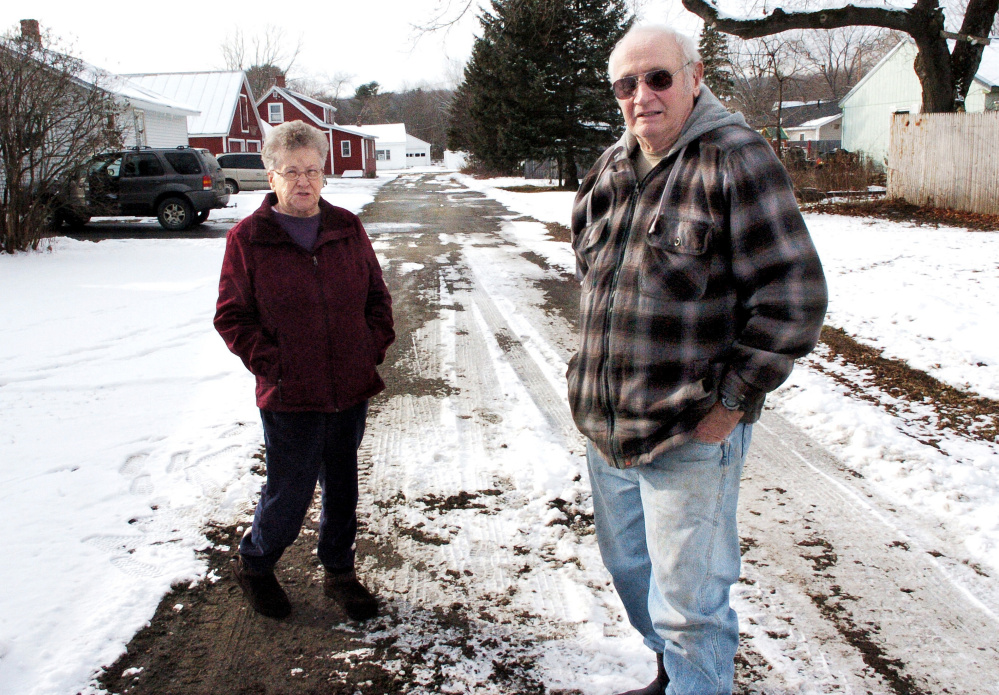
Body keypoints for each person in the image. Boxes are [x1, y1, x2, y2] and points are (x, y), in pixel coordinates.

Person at [567, 25, 827, 694]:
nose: (641, 96)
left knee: (689, 610)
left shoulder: (734, 158)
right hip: (609, 431)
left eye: (656, 78)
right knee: (632, 574)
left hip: (689, 430)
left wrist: (733, 401)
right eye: (626, 84)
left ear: (693, 76)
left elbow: (792, 297)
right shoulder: (609, 168)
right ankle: (672, 675)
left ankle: (693, 676)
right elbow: (595, 275)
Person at [214, 120, 394, 621]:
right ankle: (256, 563)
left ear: (324, 174)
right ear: (270, 176)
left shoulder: (345, 227)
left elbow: (377, 298)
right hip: (291, 394)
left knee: (342, 488)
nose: (303, 181)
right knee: (288, 492)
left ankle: (339, 572)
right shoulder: (249, 239)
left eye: (312, 170)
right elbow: (231, 315)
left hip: (349, 389)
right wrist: (275, 365)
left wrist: (368, 347)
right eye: (290, 171)